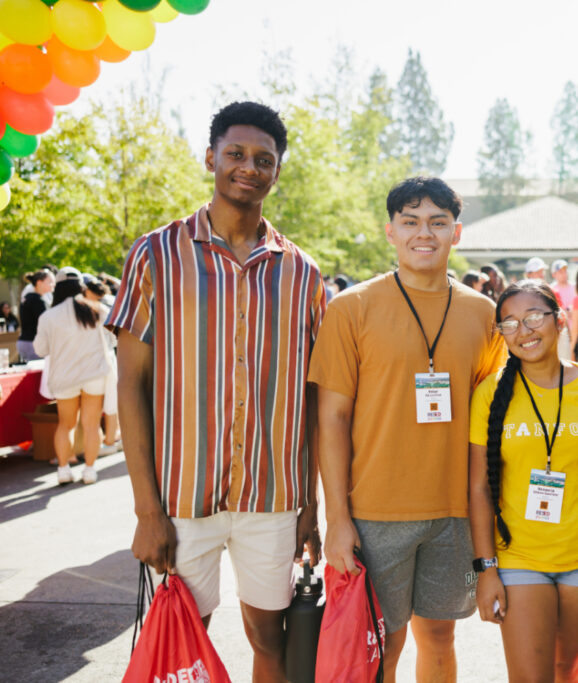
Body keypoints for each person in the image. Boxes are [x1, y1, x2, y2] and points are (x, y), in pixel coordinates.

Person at [108, 101, 325, 682]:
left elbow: (311, 399)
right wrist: (147, 510)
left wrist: (311, 504)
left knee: (271, 640)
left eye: (264, 158)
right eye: (235, 154)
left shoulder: (302, 272)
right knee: (183, 643)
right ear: (210, 157)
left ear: (277, 171)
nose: (248, 167)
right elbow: (130, 385)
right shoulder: (156, 254)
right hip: (181, 501)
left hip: (272, 498)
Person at [311, 176, 506, 683]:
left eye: (438, 222)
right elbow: (330, 418)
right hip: (375, 510)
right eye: (411, 222)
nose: (425, 233)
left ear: (456, 233)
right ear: (390, 232)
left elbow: (494, 418)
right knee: (383, 641)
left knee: (440, 637)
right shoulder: (352, 308)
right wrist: (337, 518)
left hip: (454, 509)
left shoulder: (482, 313)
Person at [469, 280, 578, 682]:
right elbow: (478, 488)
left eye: (534, 317)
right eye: (510, 324)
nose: (524, 330)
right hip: (519, 558)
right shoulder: (490, 393)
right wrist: (486, 570)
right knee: (531, 676)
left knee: (567, 669)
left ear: (560, 319)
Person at [34, 273, 111, 485]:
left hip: (64, 377)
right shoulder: (97, 309)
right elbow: (114, 337)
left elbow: (40, 349)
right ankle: (89, 470)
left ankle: (63, 468)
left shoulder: (49, 316)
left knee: (65, 424)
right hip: (94, 374)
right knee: (92, 424)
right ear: (81, 287)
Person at [84, 279, 121, 454]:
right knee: (112, 404)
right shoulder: (106, 307)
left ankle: (109, 440)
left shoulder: (96, 309)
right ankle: (111, 439)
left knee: (99, 408)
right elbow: (115, 339)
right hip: (109, 359)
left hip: (95, 363)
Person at [17, 269, 54, 361]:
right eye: (50, 282)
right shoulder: (37, 301)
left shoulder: (28, 298)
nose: (53, 285)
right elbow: (46, 324)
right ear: (39, 283)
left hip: (24, 341)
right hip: (33, 344)